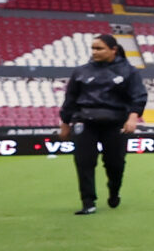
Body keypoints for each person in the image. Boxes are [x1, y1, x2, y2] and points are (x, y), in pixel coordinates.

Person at [58, 33, 145, 213]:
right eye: (93, 48)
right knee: (84, 162)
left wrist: (133, 117)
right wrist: (65, 123)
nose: (95, 52)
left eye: (99, 48)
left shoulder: (129, 71)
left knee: (115, 164)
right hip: (84, 121)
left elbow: (138, 96)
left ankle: (114, 191)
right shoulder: (81, 71)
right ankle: (88, 203)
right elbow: (71, 98)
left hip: (115, 122)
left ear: (113, 50)